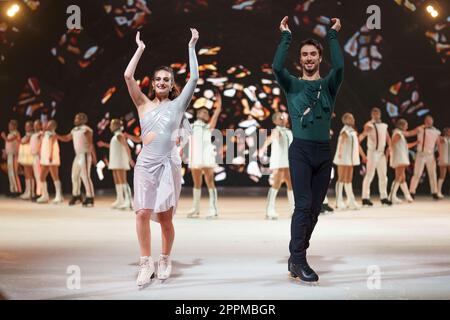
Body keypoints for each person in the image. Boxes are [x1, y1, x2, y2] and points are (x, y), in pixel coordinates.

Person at [124, 29, 199, 286]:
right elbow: (127, 75)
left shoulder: (178, 106)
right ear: (153, 82)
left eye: (167, 80)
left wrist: (191, 46)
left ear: (171, 83)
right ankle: (145, 262)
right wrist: (140, 49)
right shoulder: (142, 104)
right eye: (158, 79)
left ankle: (165, 258)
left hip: (168, 165)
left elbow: (195, 77)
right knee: (142, 213)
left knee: (165, 218)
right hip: (145, 164)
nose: (162, 83)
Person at [273, 16, 343, 283]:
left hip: (324, 153)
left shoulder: (329, 85)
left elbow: (340, 66)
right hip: (301, 150)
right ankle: (299, 259)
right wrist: (285, 37)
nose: (309, 58)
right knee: (302, 206)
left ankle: (296, 256)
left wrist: (333, 36)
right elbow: (276, 67)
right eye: (304, 54)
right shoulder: (292, 84)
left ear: (319, 57)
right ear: (299, 59)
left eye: (313, 54)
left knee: (314, 210)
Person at [186, 91, 222, 219]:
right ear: (197, 113)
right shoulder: (191, 126)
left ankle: (213, 209)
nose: (204, 113)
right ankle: (195, 209)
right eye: (202, 112)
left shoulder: (208, 126)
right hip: (195, 158)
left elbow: (217, 113)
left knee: (210, 182)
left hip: (206, 157)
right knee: (196, 184)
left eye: (206, 113)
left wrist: (219, 104)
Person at [258, 112, 294, 219]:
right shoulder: (276, 130)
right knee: (276, 185)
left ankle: (293, 210)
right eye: (280, 118)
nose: (282, 119)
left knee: (291, 185)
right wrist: (263, 147)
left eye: (283, 117)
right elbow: (271, 138)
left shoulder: (288, 131)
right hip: (279, 162)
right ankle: (269, 210)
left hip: (288, 162)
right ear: (274, 121)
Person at [57, 113, 97, 207]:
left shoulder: (86, 129)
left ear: (83, 119)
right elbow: (67, 138)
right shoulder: (74, 130)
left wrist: (94, 156)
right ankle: (77, 195)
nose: (75, 119)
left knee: (85, 176)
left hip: (85, 154)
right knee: (74, 175)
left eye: (77, 118)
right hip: (78, 155)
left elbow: (91, 144)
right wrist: (57, 136)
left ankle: (90, 197)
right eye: (75, 118)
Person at [97, 119, 134, 210]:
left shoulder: (119, 135)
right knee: (117, 181)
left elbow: (127, 147)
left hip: (120, 160)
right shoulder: (115, 136)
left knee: (123, 180)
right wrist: (104, 144)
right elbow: (114, 146)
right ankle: (120, 199)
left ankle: (128, 201)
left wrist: (130, 160)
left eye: (111, 125)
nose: (110, 126)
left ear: (116, 126)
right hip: (115, 160)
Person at [359, 107, 392, 207]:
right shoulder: (369, 125)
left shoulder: (384, 125)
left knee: (383, 176)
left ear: (380, 114)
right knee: (369, 175)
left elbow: (388, 139)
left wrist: (389, 149)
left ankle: (384, 197)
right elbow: (362, 135)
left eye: (377, 113)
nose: (376, 115)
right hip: (372, 152)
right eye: (374, 113)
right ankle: (365, 197)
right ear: (371, 115)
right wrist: (360, 138)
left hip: (381, 153)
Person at [407, 115, 441, 199]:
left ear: (432, 122)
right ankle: (411, 192)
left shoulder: (436, 131)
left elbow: (438, 144)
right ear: (425, 121)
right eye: (427, 120)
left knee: (433, 174)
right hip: (421, 154)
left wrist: (439, 155)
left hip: (430, 155)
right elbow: (410, 133)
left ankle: (434, 192)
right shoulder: (420, 129)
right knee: (417, 174)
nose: (429, 122)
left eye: (430, 120)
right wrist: (401, 132)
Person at [333, 113, 361, 210]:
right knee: (341, 179)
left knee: (349, 179)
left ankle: (350, 200)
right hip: (343, 158)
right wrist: (340, 155)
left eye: (353, 117)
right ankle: (338, 201)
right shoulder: (345, 130)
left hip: (351, 158)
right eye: (350, 118)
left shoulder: (352, 131)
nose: (352, 119)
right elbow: (340, 142)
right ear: (345, 120)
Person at [388, 118, 416, 203]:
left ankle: (407, 196)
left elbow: (405, 146)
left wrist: (416, 143)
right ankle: (391, 196)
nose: (407, 127)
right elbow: (392, 143)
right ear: (401, 125)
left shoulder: (399, 134)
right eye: (406, 125)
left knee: (402, 178)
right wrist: (390, 153)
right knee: (398, 177)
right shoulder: (398, 133)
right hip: (399, 158)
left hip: (401, 157)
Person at [37, 120, 63, 204]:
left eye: (49, 124)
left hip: (51, 158)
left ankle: (59, 196)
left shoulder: (53, 135)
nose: (46, 125)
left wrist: (51, 155)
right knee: (41, 177)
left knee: (55, 176)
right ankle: (45, 195)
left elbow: (52, 145)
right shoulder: (45, 134)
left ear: (53, 126)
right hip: (45, 158)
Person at [1, 120, 22, 197]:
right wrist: (5, 152)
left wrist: (4, 137)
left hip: (14, 155)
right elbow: (8, 144)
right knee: (10, 173)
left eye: (10, 125)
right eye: (9, 125)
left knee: (14, 172)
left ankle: (17, 190)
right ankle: (12, 190)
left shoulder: (16, 133)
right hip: (9, 155)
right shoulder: (10, 133)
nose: (9, 126)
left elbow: (9, 140)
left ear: (14, 126)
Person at [18, 121, 35, 200]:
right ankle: (27, 191)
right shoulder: (27, 134)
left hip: (29, 157)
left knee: (30, 174)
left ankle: (31, 192)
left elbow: (23, 142)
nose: (26, 127)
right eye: (25, 126)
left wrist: (17, 139)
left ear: (32, 127)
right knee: (26, 175)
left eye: (28, 126)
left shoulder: (31, 135)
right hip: (24, 156)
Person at [30, 120, 43, 201]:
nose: (35, 126)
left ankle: (40, 193)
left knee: (39, 176)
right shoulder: (34, 135)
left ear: (40, 126)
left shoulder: (41, 134)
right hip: (34, 156)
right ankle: (38, 192)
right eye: (34, 125)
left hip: (39, 156)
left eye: (37, 125)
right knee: (36, 176)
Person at [437, 127, 450, 198]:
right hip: (443, 159)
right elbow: (438, 138)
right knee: (442, 176)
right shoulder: (441, 138)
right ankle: (438, 191)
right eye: (448, 131)